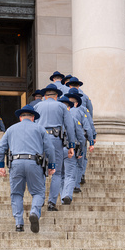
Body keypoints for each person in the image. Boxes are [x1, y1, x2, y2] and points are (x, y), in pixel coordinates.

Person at [0, 104, 56, 233]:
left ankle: (19, 224)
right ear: (33, 117)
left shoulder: (11, 129)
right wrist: (51, 165)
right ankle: (34, 212)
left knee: (17, 193)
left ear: (20, 118)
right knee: (38, 193)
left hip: (16, 163)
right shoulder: (40, 129)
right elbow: (50, 149)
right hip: (34, 163)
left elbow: (1, 148)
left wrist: (1, 166)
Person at [34, 83, 76, 211]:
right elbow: (70, 127)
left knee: (41, 170)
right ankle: (51, 203)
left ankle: (39, 199)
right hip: (55, 139)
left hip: (40, 139)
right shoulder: (61, 106)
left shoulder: (37, 106)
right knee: (57, 172)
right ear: (56, 96)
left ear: (45, 96)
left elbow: (33, 125)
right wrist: (71, 145)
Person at [65, 77, 95, 187]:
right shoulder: (82, 110)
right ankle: (77, 183)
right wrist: (91, 140)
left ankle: (67, 186)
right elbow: (88, 125)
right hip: (79, 138)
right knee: (80, 160)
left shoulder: (63, 109)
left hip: (64, 139)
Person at [57, 95, 86, 205]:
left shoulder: (55, 121)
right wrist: (81, 151)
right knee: (69, 175)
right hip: (70, 150)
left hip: (58, 150)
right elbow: (81, 138)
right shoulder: (73, 120)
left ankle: (62, 197)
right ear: (69, 108)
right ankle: (67, 195)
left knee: (60, 175)